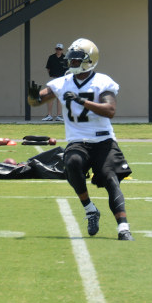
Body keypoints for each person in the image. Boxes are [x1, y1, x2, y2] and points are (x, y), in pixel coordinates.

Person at [27, 37, 134, 241]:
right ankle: (90, 209)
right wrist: (32, 97)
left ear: (89, 60)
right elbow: (37, 100)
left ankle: (123, 228)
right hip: (78, 140)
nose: (72, 63)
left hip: (104, 140)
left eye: (76, 60)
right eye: (71, 59)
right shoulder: (62, 82)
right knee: (72, 162)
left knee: (110, 178)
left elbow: (110, 110)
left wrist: (82, 101)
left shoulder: (102, 81)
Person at [43, 43, 68, 122]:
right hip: (54, 79)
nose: (58, 50)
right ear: (55, 49)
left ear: (62, 50)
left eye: (60, 49)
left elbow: (68, 70)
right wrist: (51, 74)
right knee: (50, 96)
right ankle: (49, 115)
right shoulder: (51, 57)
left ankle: (59, 115)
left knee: (59, 98)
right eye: (57, 49)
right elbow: (48, 68)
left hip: (62, 80)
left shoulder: (65, 58)